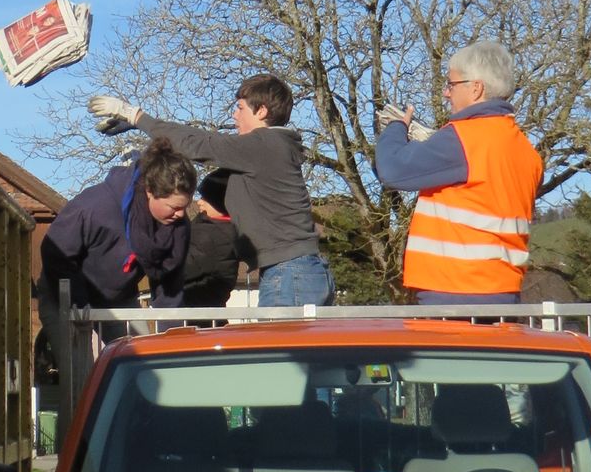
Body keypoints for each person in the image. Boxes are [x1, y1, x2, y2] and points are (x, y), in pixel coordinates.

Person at [88, 75, 335, 307]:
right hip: (297, 271)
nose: (235, 115)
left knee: (281, 341)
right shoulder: (272, 148)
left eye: (240, 108)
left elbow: (198, 143)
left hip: (290, 274)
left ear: (261, 111)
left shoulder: (263, 144)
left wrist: (137, 117)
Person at [373, 40, 542, 305]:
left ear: (476, 88)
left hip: (453, 292)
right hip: (504, 293)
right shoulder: (526, 151)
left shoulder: (462, 139)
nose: (446, 93)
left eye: (451, 85)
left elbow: (392, 169)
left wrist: (396, 128)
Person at [36, 138, 196, 357]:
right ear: (150, 191)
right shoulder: (94, 207)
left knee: (141, 363)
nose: (181, 214)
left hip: (119, 298)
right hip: (65, 295)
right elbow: (56, 254)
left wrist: (171, 342)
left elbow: (170, 285)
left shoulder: (177, 228)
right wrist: (80, 306)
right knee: (84, 368)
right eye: (174, 207)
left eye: (185, 206)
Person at [179, 171, 241, 308]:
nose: (199, 202)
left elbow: (182, 267)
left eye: (205, 198)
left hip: (196, 310)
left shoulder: (213, 235)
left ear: (220, 203)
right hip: (203, 307)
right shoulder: (215, 228)